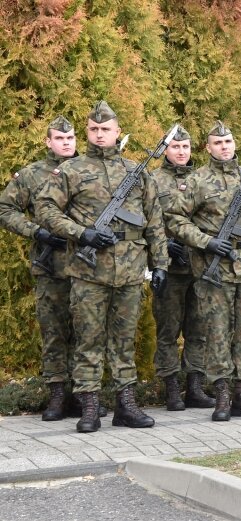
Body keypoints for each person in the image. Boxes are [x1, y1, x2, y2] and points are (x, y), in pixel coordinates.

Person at [36, 101, 168, 433]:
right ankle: (90, 406)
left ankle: (126, 404)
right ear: (87, 133)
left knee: (124, 339)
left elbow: (154, 222)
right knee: (88, 339)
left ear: (116, 132)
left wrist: (161, 262)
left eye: (105, 129)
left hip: (129, 269)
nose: (99, 134)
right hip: (87, 272)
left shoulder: (136, 173)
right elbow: (45, 210)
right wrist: (82, 234)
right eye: (93, 130)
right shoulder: (70, 171)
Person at [166, 121, 241, 421]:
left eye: (228, 141)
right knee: (217, 332)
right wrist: (206, 242)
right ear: (208, 148)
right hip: (214, 268)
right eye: (218, 143)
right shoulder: (198, 180)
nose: (224, 147)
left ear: (235, 144)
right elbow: (175, 220)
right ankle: (221, 395)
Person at [0, 115, 78, 421]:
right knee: (55, 333)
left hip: (88, 268)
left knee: (88, 334)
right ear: (48, 142)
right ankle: (58, 396)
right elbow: (5, 208)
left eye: (70, 138)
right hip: (51, 267)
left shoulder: (88, 171)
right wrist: (37, 231)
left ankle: (86, 395)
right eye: (60, 138)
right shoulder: (32, 175)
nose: (66, 143)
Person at [150, 126, 214, 411]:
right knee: (168, 331)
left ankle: (195, 387)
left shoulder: (203, 179)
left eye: (185, 147)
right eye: (175, 147)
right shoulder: (152, 180)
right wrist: (164, 247)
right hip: (170, 270)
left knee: (198, 330)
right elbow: (143, 222)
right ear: (166, 149)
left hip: (200, 267)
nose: (181, 152)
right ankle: (172, 390)